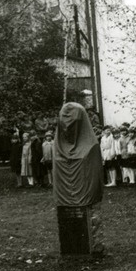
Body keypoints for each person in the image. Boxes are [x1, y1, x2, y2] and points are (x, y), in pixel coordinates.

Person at [52, 102, 104, 256]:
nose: (68, 127)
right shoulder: (57, 146)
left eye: (73, 123)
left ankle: (94, 246)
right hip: (65, 201)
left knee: (91, 226)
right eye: (65, 122)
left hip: (87, 201)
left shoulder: (91, 146)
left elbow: (94, 176)